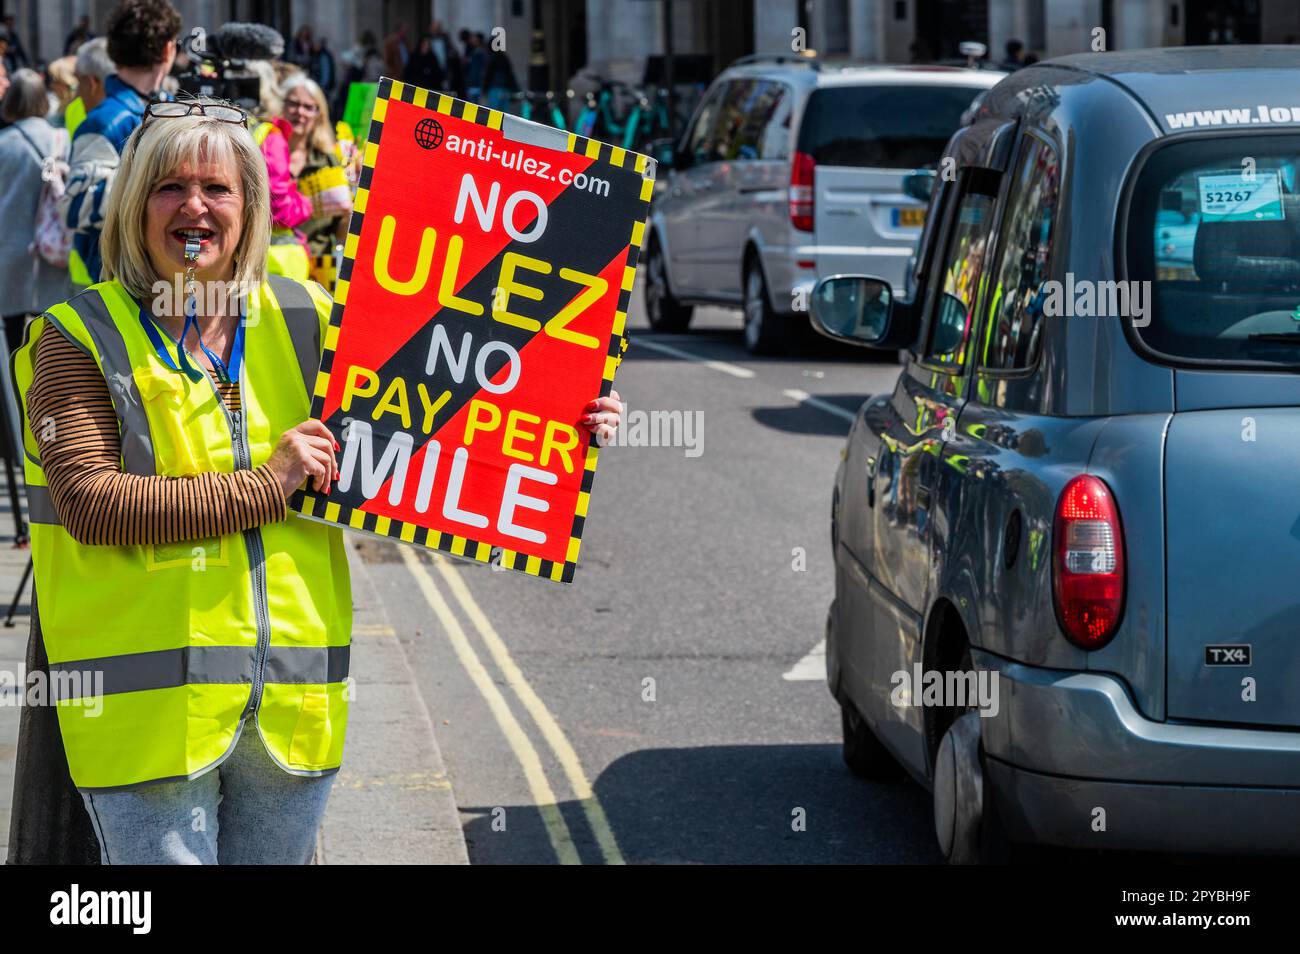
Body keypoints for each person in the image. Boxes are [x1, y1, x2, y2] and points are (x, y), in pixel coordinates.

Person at [11, 101, 624, 865]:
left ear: (251, 206)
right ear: (136, 205)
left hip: (292, 708)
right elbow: (91, 503)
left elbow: (445, 422)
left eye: (218, 188)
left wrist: (564, 414)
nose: (194, 206)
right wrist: (269, 481)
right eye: (169, 187)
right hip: (148, 721)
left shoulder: (308, 316)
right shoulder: (76, 336)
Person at [61, 0, 181, 290]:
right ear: (167, 50)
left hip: (159, 276)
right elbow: (76, 207)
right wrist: (153, 178)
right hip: (119, 280)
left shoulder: (166, 108)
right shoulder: (107, 119)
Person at [0, 70, 69, 353]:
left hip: (10, 250)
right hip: (53, 249)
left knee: (13, 341)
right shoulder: (62, 140)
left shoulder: (3, 143)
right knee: (50, 341)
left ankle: (14, 395)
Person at [279, 74, 350, 263]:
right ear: (281, 106)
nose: (299, 112)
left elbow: (340, 234)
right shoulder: (265, 153)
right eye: (293, 104)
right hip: (268, 265)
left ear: (319, 115)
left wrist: (348, 215)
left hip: (315, 270)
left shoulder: (329, 162)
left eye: (308, 107)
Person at [66, 37, 115, 138]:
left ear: (91, 84)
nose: (77, 94)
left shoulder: (92, 127)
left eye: (79, 83)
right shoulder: (144, 113)